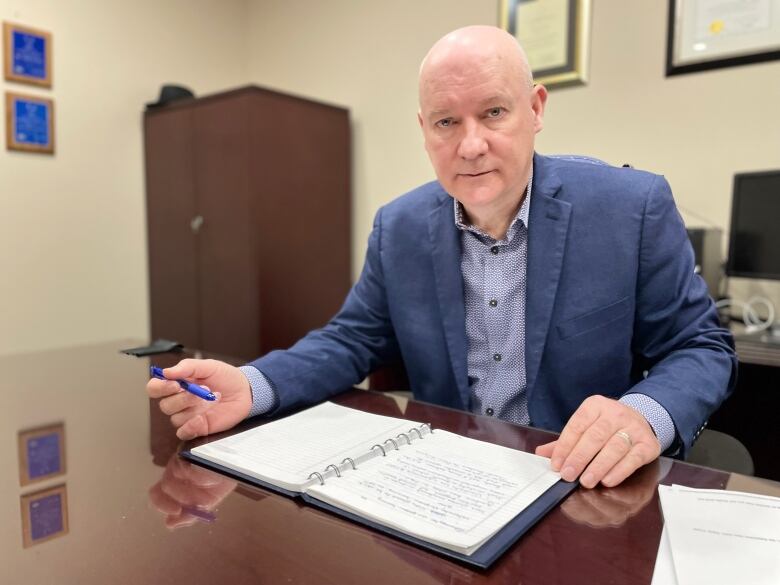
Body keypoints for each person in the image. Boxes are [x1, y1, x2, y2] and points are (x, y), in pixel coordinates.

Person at [147, 25, 736, 489]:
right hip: (452, 484)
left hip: (582, 484)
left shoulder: (630, 209)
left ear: (535, 109)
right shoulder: (398, 227)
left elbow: (701, 348)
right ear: (424, 129)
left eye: (494, 113)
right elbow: (351, 340)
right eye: (447, 122)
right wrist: (252, 385)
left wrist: (645, 414)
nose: (471, 144)